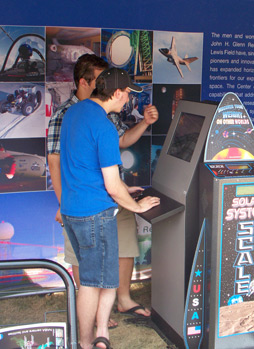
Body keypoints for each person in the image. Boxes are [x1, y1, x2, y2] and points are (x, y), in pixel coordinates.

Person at [47, 54, 158, 325]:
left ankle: (122, 301)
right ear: (84, 82)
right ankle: (96, 317)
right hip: (89, 202)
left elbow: (119, 141)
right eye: (100, 80)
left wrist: (144, 123)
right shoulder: (66, 113)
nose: (105, 85)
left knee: (124, 248)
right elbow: (54, 161)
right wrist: (64, 204)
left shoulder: (103, 115)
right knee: (85, 258)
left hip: (112, 196)